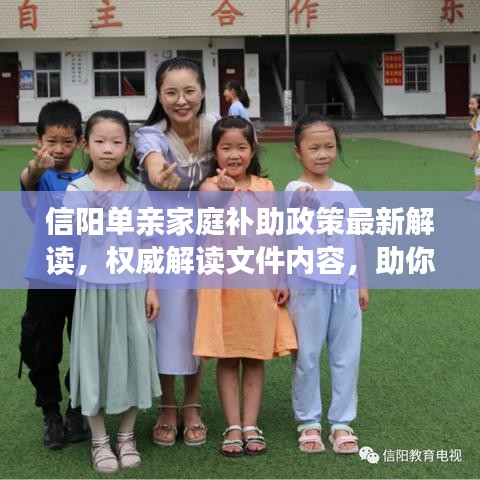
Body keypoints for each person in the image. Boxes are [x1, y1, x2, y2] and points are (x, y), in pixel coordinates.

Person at [193, 116, 297, 457]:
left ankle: (251, 424)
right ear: (215, 152)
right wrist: (226, 191)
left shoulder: (265, 188)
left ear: (253, 150)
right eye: (226, 147)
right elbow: (210, 208)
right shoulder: (210, 187)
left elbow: (275, 235)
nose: (234, 154)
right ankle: (233, 425)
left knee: (254, 356)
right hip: (222, 285)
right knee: (227, 357)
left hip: (259, 284)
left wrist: (281, 277)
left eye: (241, 147)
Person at [64, 110, 161, 473]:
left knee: (136, 355)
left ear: (127, 148)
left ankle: (126, 435)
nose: (108, 149)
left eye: (116, 142)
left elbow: (148, 242)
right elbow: (75, 236)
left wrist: (153, 290)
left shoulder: (138, 192)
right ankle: (99, 439)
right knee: (94, 360)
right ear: (85, 145)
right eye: (100, 141)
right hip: (94, 290)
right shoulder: (77, 191)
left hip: (133, 288)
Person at [132, 57, 218, 446]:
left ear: (203, 92)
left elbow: (242, 156)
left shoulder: (217, 127)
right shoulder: (150, 135)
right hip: (164, 240)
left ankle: (193, 404)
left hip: (211, 238)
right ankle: (168, 404)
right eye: (171, 92)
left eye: (189, 91)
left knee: (199, 316)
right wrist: (158, 174)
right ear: (159, 95)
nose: (181, 100)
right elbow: (153, 165)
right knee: (165, 321)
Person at [285, 113, 369, 454]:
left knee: (346, 354)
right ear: (298, 152)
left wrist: (362, 284)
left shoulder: (346, 192)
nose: (323, 154)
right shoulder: (293, 189)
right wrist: (303, 201)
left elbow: (356, 239)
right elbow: (292, 211)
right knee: (306, 354)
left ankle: (341, 423)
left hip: (346, 284)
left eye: (329, 147)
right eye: (314, 147)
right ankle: (308, 421)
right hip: (307, 286)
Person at [19, 99, 89, 450]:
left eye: (67, 141)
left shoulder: (91, 180)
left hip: (86, 279)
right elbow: (28, 179)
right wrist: (35, 167)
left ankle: (77, 408)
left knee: (85, 346)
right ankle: (50, 412)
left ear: (80, 141)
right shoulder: (40, 176)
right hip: (45, 276)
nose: (59, 149)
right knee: (42, 346)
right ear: (39, 139)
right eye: (51, 141)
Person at [465, 94, 480, 201]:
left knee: (478, 168)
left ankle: (478, 193)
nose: (470, 106)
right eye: (469, 103)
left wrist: (473, 150)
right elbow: (476, 134)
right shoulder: (476, 117)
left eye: (472, 103)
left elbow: (478, 135)